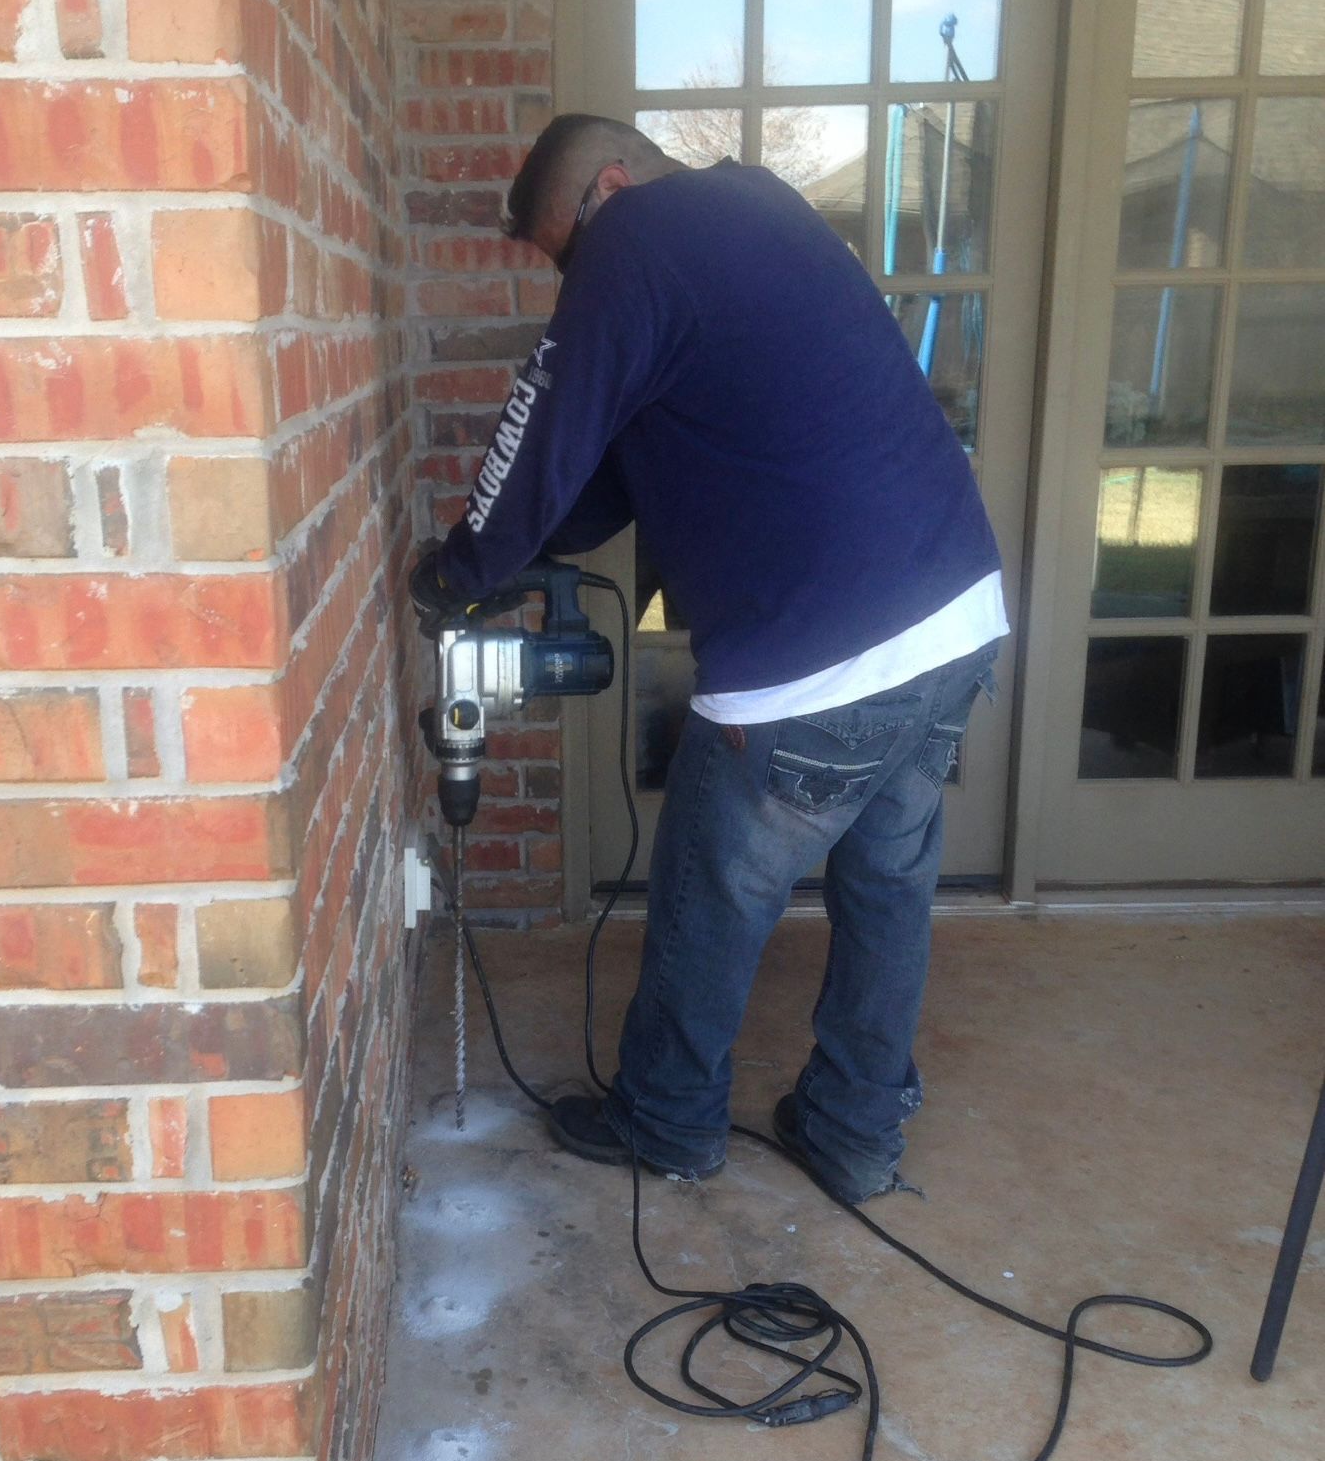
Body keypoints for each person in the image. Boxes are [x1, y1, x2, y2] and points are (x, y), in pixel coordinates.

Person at [410, 114, 1005, 1203]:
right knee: (887, 881)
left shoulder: (637, 236)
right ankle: (856, 1132)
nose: (572, 281)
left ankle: (668, 1120)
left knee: (711, 883)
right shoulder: (757, 212)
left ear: (613, 183)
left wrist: (459, 571)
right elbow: (624, 456)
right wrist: (531, 546)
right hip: (953, 614)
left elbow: (543, 431)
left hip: (819, 655)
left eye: (567, 252)